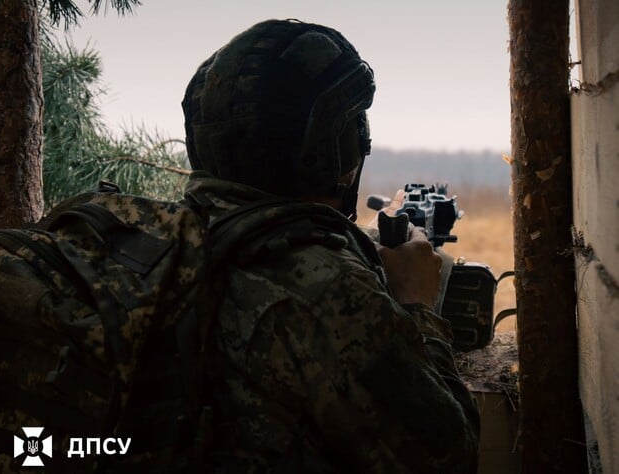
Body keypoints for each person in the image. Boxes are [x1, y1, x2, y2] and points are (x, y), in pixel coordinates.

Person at [181, 19, 480, 473]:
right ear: (333, 147)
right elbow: (450, 458)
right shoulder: (331, 294)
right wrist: (417, 305)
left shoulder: (177, 239)